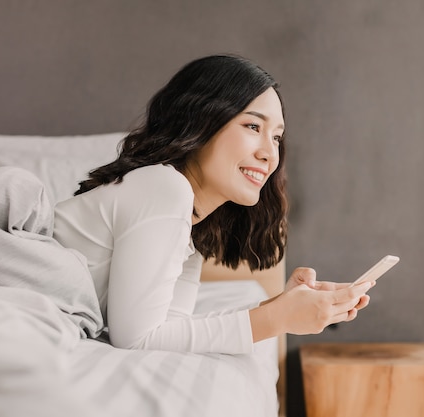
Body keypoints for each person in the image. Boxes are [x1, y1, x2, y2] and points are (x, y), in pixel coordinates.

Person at [52, 54, 372, 354]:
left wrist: (281, 306)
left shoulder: (191, 228)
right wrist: (276, 319)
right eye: (252, 126)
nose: (269, 153)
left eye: (276, 137)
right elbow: (136, 340)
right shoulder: (163, 187)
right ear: (201, 121)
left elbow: (169, 330)